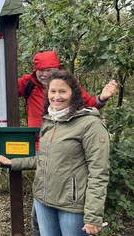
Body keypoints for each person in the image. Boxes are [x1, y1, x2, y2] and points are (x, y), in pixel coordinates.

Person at [0, 70, 110, 235]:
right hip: (43, 202)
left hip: (72, 206)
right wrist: (13, 162)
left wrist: (93, 215)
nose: (57, 96)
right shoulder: (49, 121)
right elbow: (44, 159)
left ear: (74, 93)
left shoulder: (90, 124)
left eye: (63, 91)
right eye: (53, 91)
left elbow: (99, 172)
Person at [18, 51, 117, 235]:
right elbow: (1, 87)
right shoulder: (28, 84)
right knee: (41, 206)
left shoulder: (85, 116)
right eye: (41, 70)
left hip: (67, 154)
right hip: (41, 148)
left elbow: (88, 104)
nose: (45, 74)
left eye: (49, 70)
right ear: (35, 71)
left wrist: (102, 98)